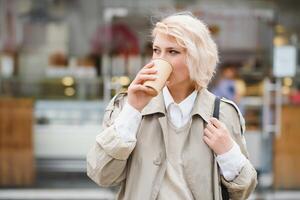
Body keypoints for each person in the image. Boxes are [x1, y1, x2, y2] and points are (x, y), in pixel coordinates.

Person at [87, 12, 257, 200]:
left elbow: (243, 191)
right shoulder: (127, 105)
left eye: (172, 52)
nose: (159, 60)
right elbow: (101, 174)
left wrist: (228, 153)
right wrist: (132, 110)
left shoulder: (223, 112)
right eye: (156, 50)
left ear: (196, 58)